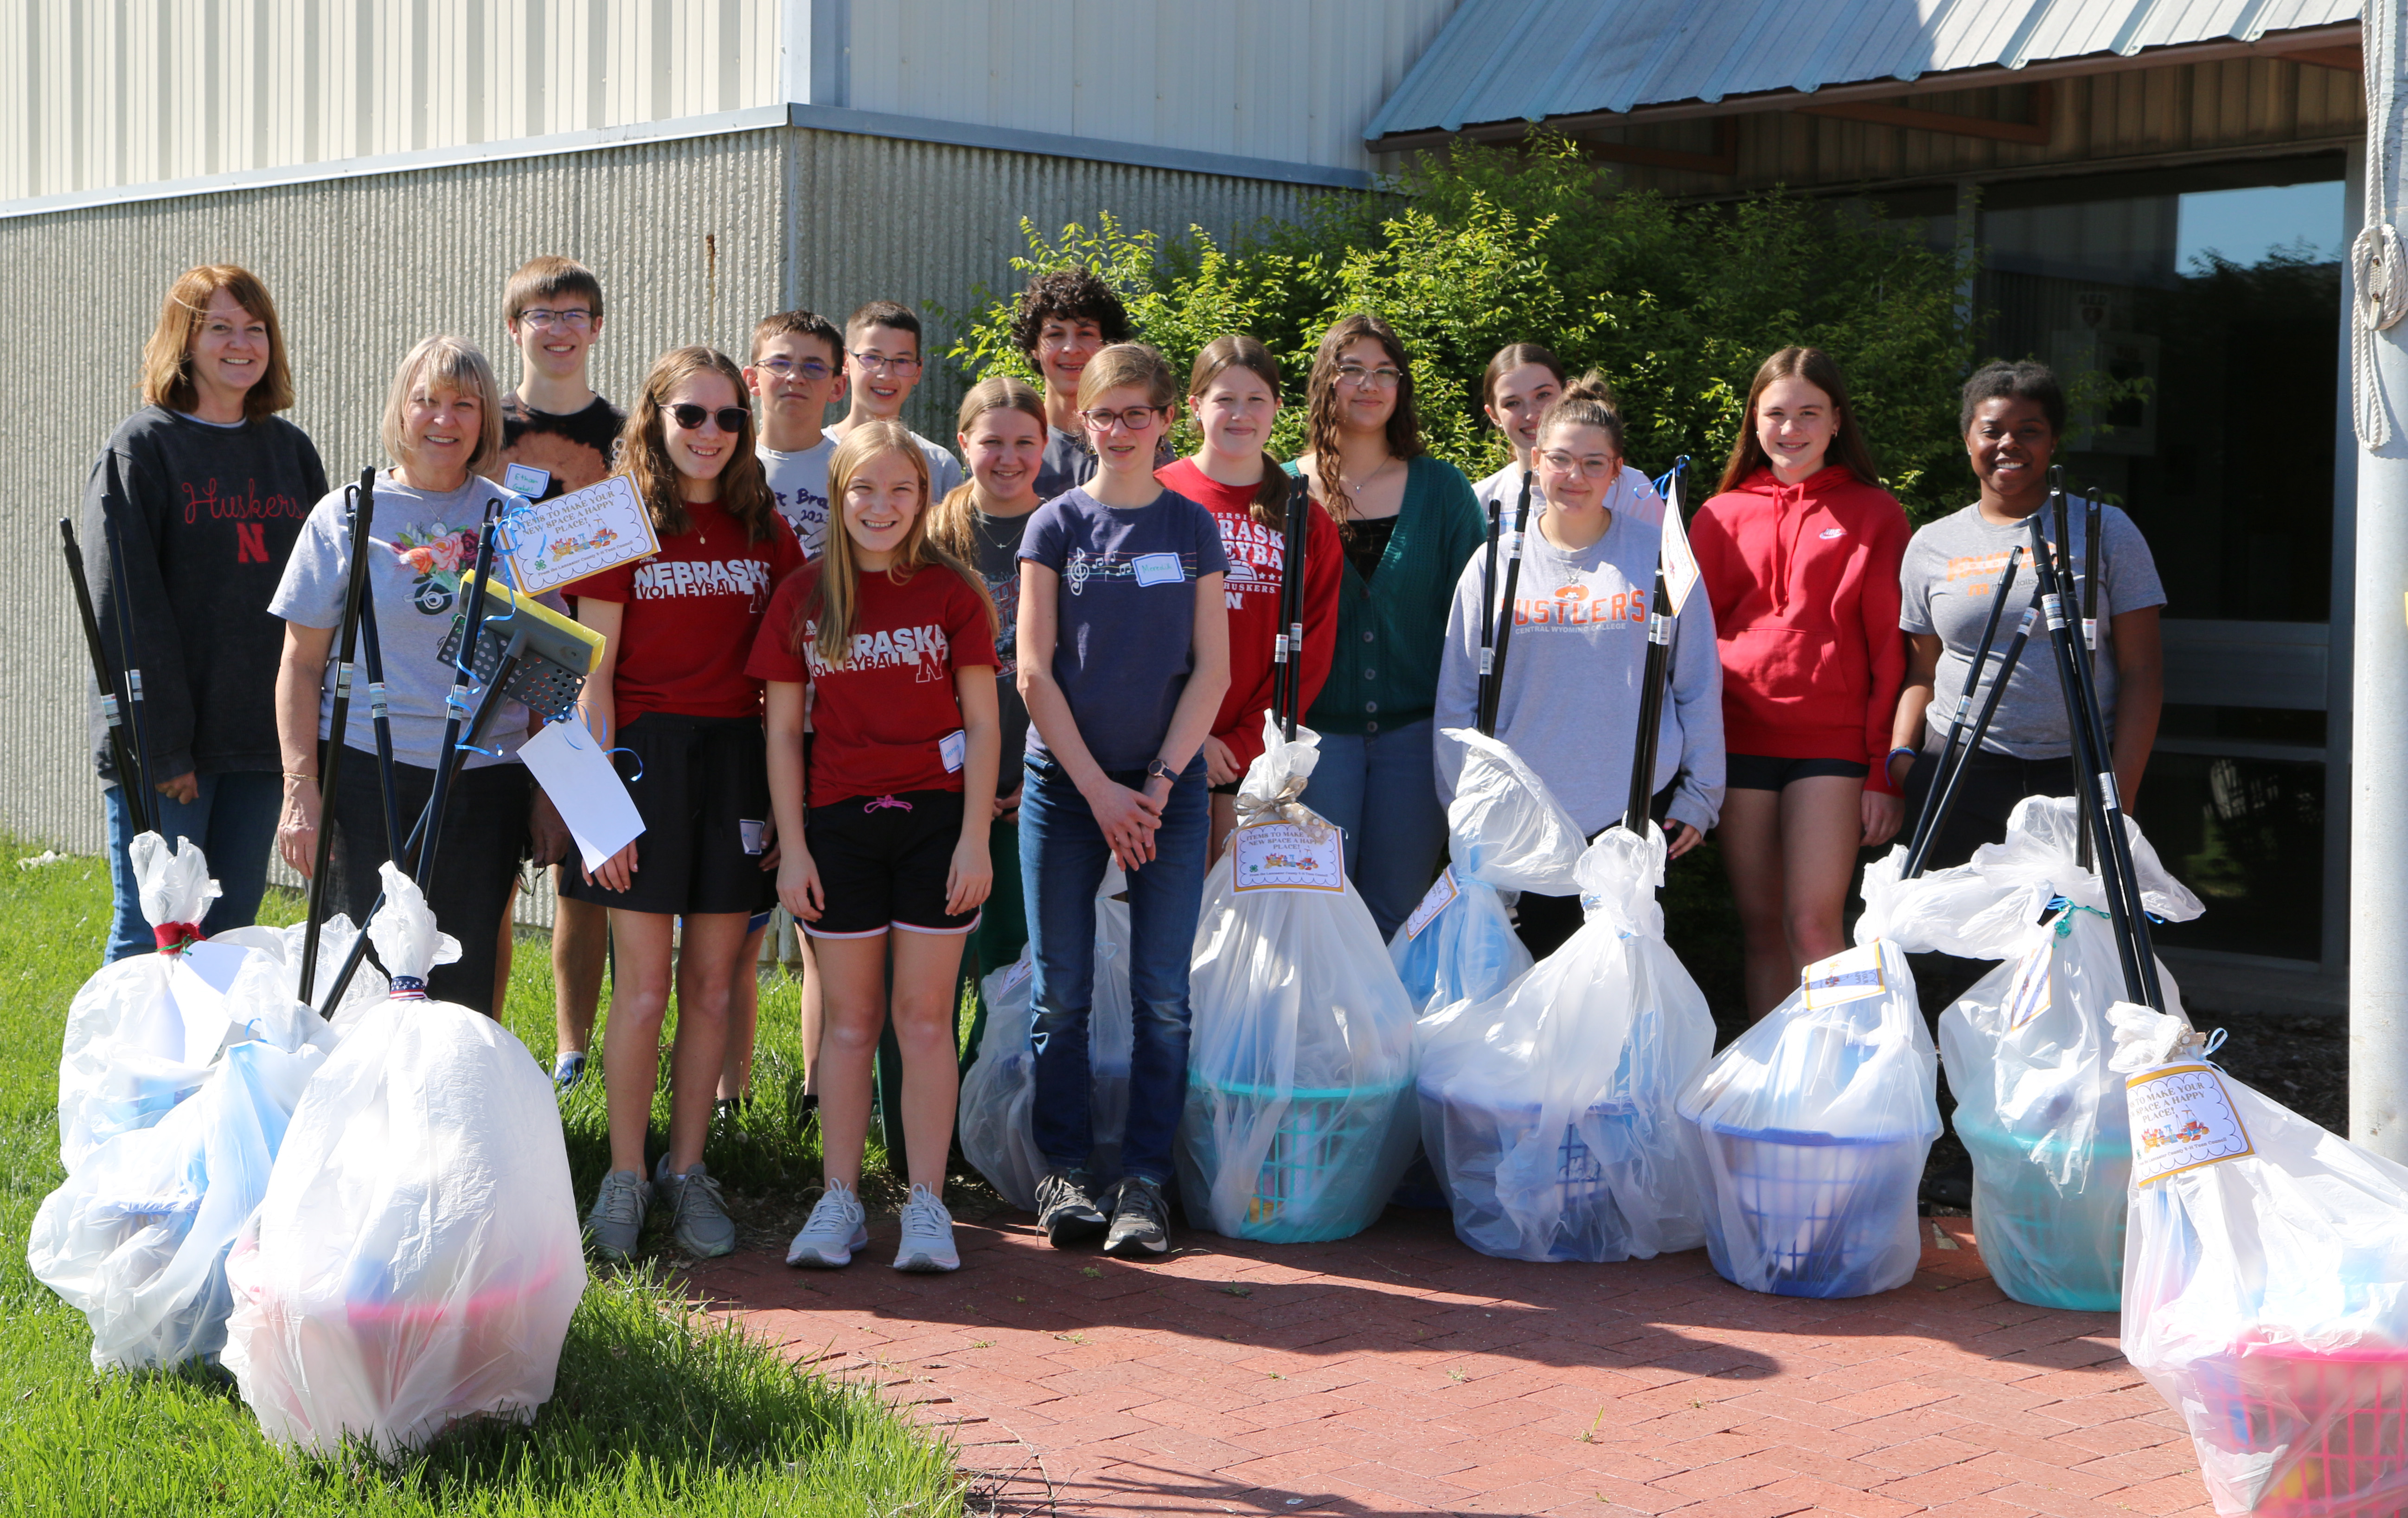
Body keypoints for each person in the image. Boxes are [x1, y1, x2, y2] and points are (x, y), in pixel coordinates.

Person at [561, 347, 805, 1262]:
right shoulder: (616, 519)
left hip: (735, 765)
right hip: (643, 761)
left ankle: (687, 1166)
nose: (710, 433)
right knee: (646, 987)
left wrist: (787, 801)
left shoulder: (763, 527)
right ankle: (623, 1174)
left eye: (729, 417)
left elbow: (789, 679)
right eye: (690, 415)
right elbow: (592, 680)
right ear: (654, 419)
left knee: (711, 984)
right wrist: (599, 813)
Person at [756, 419, 1002, 1272]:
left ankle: (927, 1205)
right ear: (838, 495)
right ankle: (840, 1201)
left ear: (923, 500)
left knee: (924, 1019)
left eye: (901, 490)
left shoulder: (953, 592)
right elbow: (783, 735)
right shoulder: (802, 598)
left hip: (936, 824)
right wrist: (793, 848)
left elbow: (981, 720)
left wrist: (975, 839)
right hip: (838, 828)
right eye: (865, 488)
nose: (881, 506)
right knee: (852, 1022)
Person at [271, 335, 565, 1012]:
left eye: (464, 404)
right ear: (399, 412)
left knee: (461, 968)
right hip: (365, 773)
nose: (444, 419)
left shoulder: (516, 521)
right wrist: (299, 789)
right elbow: (300, 662)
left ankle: (453, 1109)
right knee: (363, 971)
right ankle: (362, 1114)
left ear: (486, 417)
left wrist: (550, 792)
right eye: (426, 401)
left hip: (484, 777)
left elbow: (548, 668)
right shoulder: (346, 516)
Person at [1017, 342, 1229, 1259]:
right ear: (1083, 420)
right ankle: (1063, 1173)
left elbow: (1211, 669)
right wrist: (1101, 791)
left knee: (1161, 1000)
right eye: (1106, 413)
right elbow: (1032, 671)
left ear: (1164, 420)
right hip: (1064, 789)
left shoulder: (1191, 530)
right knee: (1059, 995)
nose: (1122, 429)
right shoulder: (1056, 526)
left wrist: (1155, 784)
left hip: (1165, 793)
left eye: (1139, 413)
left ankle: (1144, 1182)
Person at [1434, 375, 1723, 958]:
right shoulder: (1493, 562)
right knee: (1519, 991)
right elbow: (1457, 697)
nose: (1575, 477)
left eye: (1594, 463)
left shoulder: (1660, 557)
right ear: (1536, 460)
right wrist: (1462, 810)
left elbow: (1695, 682)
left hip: (1630, 810)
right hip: (1517, 819)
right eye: (1561, 460)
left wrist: (1702, 793)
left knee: (1610, 992)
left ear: (1616, 471)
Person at [86, 264, 326, 962]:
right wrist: (162, 748)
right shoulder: (143, 448)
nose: (241, 344)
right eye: (219, 327)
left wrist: (304, 751)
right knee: (154, 935)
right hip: (172, 752)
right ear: (184, 342)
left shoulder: (290, 452)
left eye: (255, 329)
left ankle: (209, 1075)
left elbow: (320, 603)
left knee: (232, 935)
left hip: (260, 744)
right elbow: (124, 610)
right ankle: (131, 1076)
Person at [1691, 347, 1913, 1019]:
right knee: (1760, 931)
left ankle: (1837, 1087)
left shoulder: (1876, 514)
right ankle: (1769, 1102)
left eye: (1808, 413)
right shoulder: (1719, 514)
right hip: (1739, 746)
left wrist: (1882, 773)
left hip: (1834, 750)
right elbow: (1691, 654)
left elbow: (1889, 656)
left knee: (1814, 927)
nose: (1791, 429)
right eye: (1776, 414)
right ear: (1754, 422)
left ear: (1837, 420)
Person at [1887, 360, 2165, 871]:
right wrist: (1902, 761)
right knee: (1957, 946)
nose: (2008, 444)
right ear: (1967, 439)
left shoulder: (2105, 529)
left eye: (2029, 431)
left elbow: (2141, 672)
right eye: (1991, 430)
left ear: (2053, 442)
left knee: (2069, 940)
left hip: (2078, 772)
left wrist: (2118, 794)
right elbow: (1920, 671)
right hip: (1957, 772)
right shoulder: (1930, 544)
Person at [1285, 314, 1484, 939]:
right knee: (1320, 915)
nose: (1369, 385)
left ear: (1401, 387)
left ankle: (1392, 1040)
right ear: (1325, 382)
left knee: (1398, 915)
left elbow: (1478, 619)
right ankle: (1325, 1041)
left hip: (1418, 741)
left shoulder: (1443, 488)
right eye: (1352, 370)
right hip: (1315, 743)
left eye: (1384, 372)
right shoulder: (1285, 489)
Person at [482, 254, 625, 1082]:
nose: (561, 329)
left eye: (576, 314)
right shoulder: (482, 424)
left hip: (586, 668)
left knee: (583, 864)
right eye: (543, 315)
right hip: (492, 665)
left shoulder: (622, 433)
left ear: (596, 327)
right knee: (490, 872)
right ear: (516, 328)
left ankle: (573, 1050)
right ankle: (491, 1048)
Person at [724, 307, 854, 1132]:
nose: (796, 379)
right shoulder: (720, 460)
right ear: (751, 375)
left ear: (837, 383)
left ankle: (818, 1097)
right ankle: (726, 1098)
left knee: (822, 927)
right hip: (736, 718)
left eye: (814, 367)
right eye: (781, 363)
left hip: (835, 723)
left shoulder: (856, 467)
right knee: (732, 929)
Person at [1157, 335, 1341, 854]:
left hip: (1256, 759)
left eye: (1255, 399)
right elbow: (1132, 636)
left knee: (1239, 924)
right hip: (1158, 749)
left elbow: (1313, 652)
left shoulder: (1306, 516)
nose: (1240, 414)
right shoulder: (1155, 494)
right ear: (1193, 407)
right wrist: (1186, 738)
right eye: (1224, 399)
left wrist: (1242, 744)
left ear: (1278, 408)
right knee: (1164, 921)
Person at [926, 378, 1050, 1040]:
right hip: (939, 781)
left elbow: (1084, 670)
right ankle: (924, 1131)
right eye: (992, 442)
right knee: (933, 968)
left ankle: (992, 1119)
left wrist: (1043, 771)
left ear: (1046, 445)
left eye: (1024, 443)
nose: (1008, 458)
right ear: (963, 442)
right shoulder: (929, 534)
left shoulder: (1069, 527)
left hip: (1035, 780)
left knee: (1015, 964)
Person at [1472, 341, 1663, 527]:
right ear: (1494, 415)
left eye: (1543, 395)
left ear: (1567, 392)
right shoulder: (1479, 502)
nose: (1531, 414)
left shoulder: (1631, 489)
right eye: (1512, 403)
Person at [1010, 266, 1133, 500]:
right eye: (1055, 335)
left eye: (1085, 334)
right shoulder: (1009, 442)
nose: (1071, 349)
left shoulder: (1135, 439)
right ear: (1034, 347)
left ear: (1106, 344)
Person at [828, 300, 965, 498]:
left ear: (918, 371)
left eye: (902, 361)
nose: (887, 375)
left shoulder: (939, 467)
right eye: (873, 358)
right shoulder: (813, 456)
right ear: (845, 361)